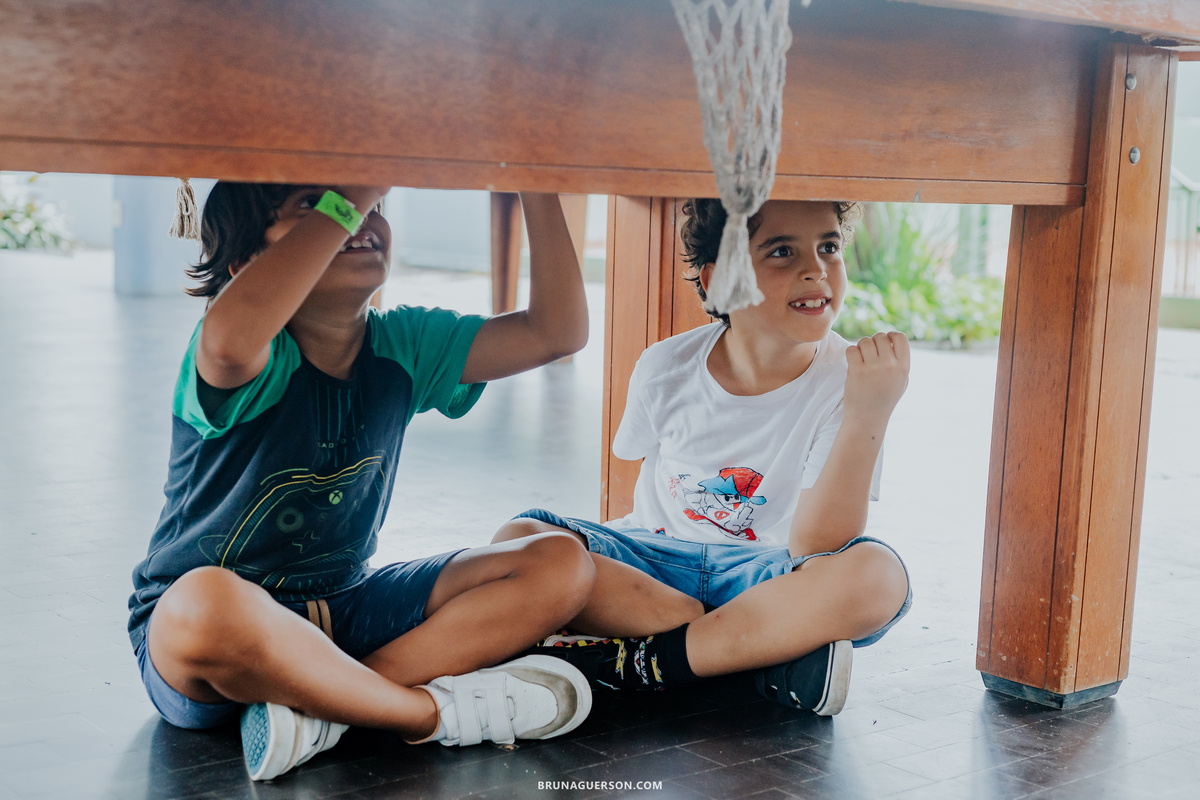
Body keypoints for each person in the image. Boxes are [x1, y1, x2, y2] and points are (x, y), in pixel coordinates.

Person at [127, 184, 598, 781]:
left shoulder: (401, 344)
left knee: (560, 562)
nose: (360, 215)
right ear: (247, 267)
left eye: (371, 205)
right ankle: (420, 713)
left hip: (343, 610)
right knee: (202, 601)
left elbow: (557, 331)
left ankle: (326, 708)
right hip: (205, 643)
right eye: (315, 205)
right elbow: (228, 339)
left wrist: (534, 178)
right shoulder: (245, 351)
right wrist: (358, 183)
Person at [492, 198, 913, 716]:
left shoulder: (851, 384)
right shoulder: (665, 365)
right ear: (719, 281)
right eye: (782, 251)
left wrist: (869, 413)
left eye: (829, 246)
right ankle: (755, 658)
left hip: (764, 579)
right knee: (520, 540)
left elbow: (818, 546)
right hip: (652, 566)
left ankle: (642, 663)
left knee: (878, 575)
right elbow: (636, 471)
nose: (816, 269)